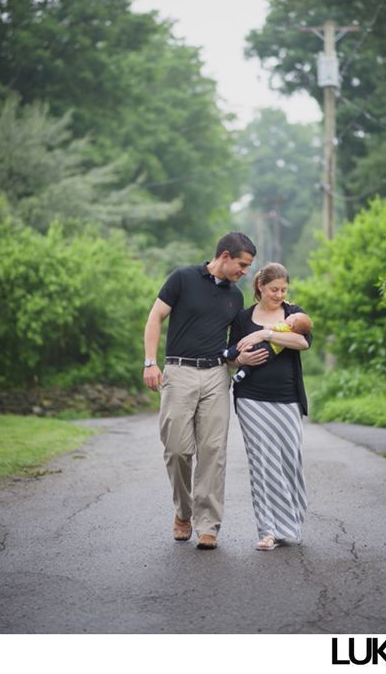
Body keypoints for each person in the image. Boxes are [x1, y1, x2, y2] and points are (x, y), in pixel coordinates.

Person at [143, 231, 262, 551]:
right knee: (177, 450)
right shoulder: (182, 279)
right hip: (179, 372)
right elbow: (155, 317)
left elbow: (231, 349)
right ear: (224, 256)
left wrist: (241, 358)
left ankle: (208, 524)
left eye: (248, 266)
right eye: (242, 264)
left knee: (213, 452)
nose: (245, 271)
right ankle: (183, 511)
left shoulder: (235, 296)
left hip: (216, 376)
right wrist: (150, 362)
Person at [229, 262, 313, 551]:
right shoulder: (243, 318)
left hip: (287, 397)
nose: (279, 295)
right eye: (274, 289)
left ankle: (291, 526)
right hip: (251, 398)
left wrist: (265, 335)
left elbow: (302, 342)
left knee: (290, 461)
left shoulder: (293, 313)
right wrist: (241, 361)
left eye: (283, 290)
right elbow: (232, 356)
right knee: (262, 463)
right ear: (260, 286)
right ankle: (268, 531)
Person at [222, 312, 313, 383]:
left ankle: (230, 353)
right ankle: (242, 373)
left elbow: (304, 343)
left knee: (247, 345)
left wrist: (263, 334)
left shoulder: (286, 324)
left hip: (286, 392)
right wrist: (240, 361)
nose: (291, 314)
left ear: (291, 325)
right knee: (252, 364)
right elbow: (230, 364)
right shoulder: (243, 316)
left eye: (293, 316)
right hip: (270, 355)